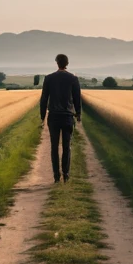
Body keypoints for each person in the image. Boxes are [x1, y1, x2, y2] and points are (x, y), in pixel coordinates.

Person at [39, 53, 82, 183]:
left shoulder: (49, 78)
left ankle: (56, 176)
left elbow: (44, 99)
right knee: (66, 146)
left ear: (56, 63)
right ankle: (66, 174)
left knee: (54, 147)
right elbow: (77, 98)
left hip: (53, 117)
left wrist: (42, 116)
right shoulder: (73, 79)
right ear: (67, 64)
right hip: (68, 117)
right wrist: (78, 114)